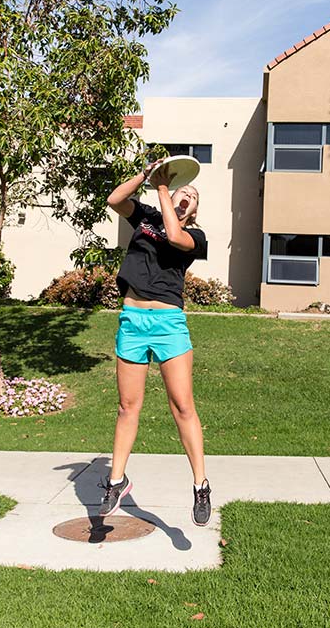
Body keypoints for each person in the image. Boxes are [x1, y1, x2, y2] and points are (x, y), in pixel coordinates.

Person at [100, 158, 211, 526]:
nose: (186, 197)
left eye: (192, 197)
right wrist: (147, 176)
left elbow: (175, 237)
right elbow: (115, 199)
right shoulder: (146, 217)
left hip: (168, 323)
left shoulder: (196, 237)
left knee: (182, 407)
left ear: (193, 211)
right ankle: (117, 481)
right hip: (132, 320)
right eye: (184, 191)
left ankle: (200, 485)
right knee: (126, 407)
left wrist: (164, 188)